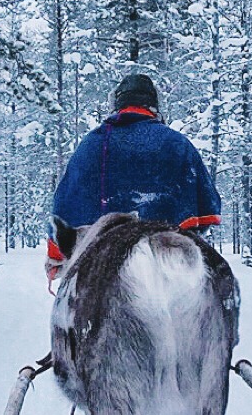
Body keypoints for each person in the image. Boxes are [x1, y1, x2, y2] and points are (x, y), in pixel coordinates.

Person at [45, 73, 221, 286]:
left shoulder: (92, 145)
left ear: (118, 104)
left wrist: (56, 256)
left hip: (102, 258)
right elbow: (209, 208)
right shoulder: (178, 144)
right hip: (170, 258)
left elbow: (65, 206)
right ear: (153, 106)